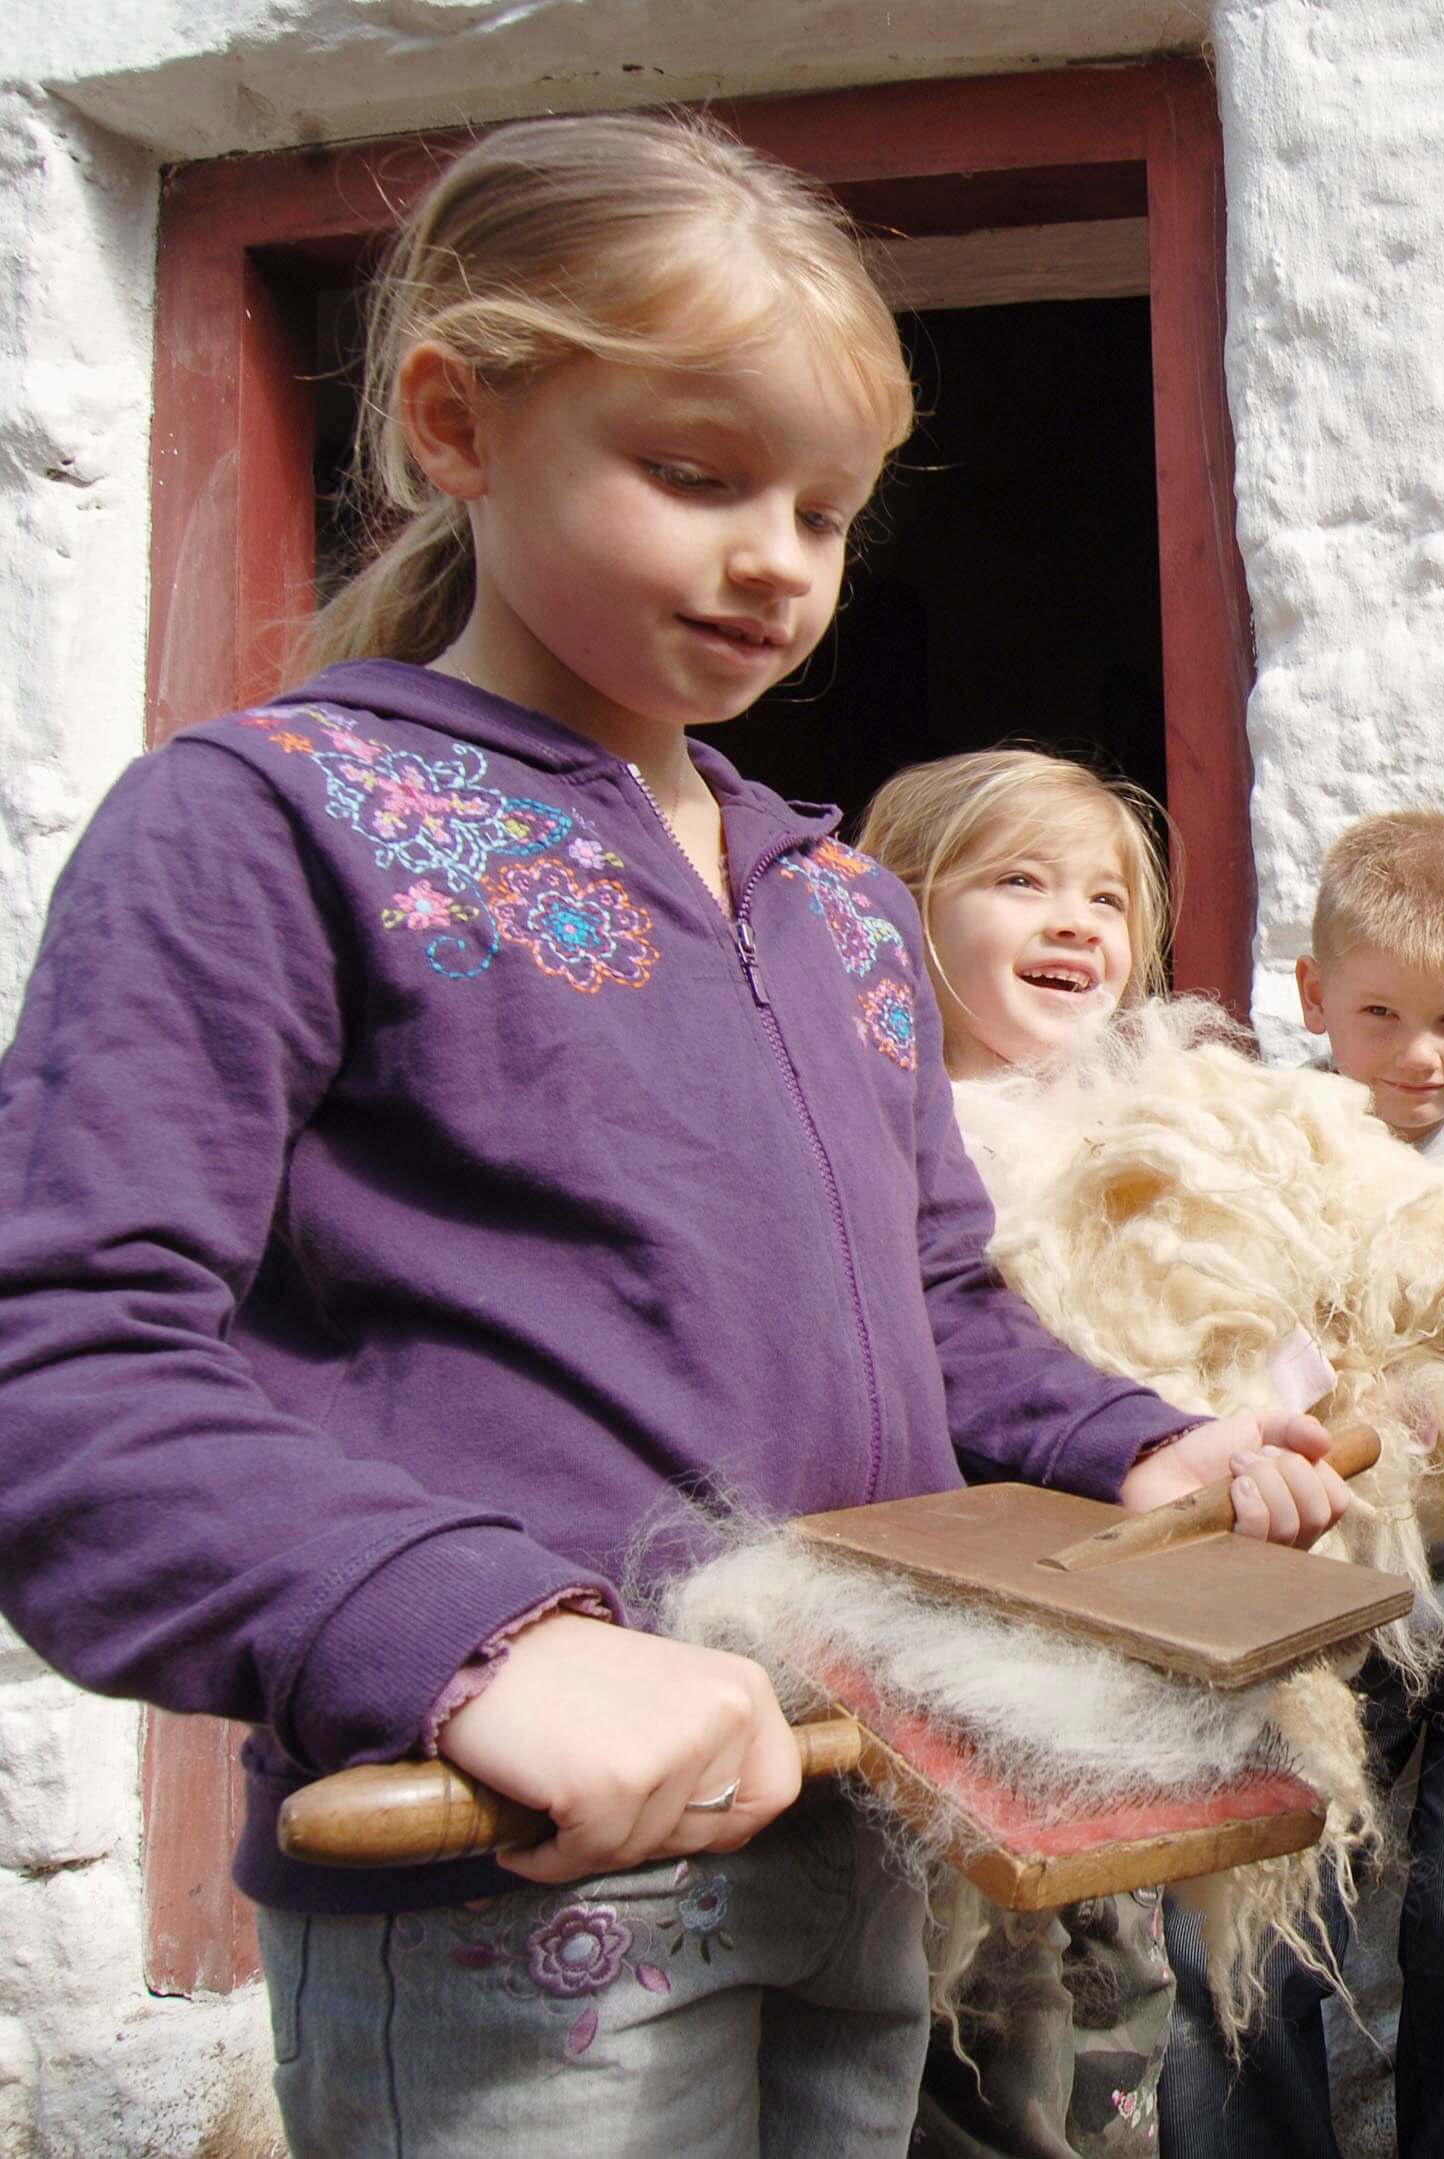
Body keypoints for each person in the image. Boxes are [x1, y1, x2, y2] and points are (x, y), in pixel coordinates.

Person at [0, 114, 1349, 2159]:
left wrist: (1136, 1444)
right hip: (518, 1878)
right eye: (698, 477)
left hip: (855, 1828)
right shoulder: (261, 825)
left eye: (824, 509)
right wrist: (469, 1651)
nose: (775, 564)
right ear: (458, 419)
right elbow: (65, 1362)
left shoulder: (836, 909)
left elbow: (931, 1305)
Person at [1156, 809, 1444, 2159]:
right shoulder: (1269, 1150)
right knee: (1262, 1926)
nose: (1421, 1059)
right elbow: (1217, 1322)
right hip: (1322, 1614)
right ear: (1311, 997)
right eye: (1378, 1015)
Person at [858, 745, 1191, 2156]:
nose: (1076, 922)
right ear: (904, 911)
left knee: (1128, 1983)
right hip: (971, 1642)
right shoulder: (904, 1136)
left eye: (1107, 897)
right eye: (1021, 881)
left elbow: (1241, 1327)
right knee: (979, 2002)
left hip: (1140, 1640)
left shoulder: (1171, 1128)